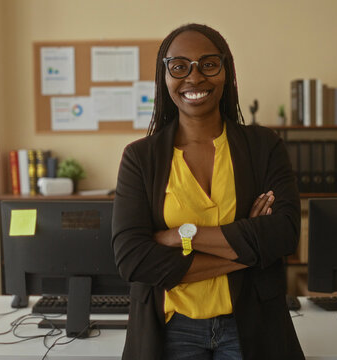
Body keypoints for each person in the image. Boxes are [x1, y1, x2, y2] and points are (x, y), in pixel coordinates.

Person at [112, 23, 303, 360]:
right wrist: (250, 251)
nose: (195, 78)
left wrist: (180, 235)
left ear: (226, 72)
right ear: (165, 77)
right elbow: (132, 259)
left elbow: (284, 234)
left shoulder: (264, 147)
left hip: (252, 325)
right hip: (171, 329)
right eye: (180, 66)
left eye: (209, 64)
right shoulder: (140, 158)